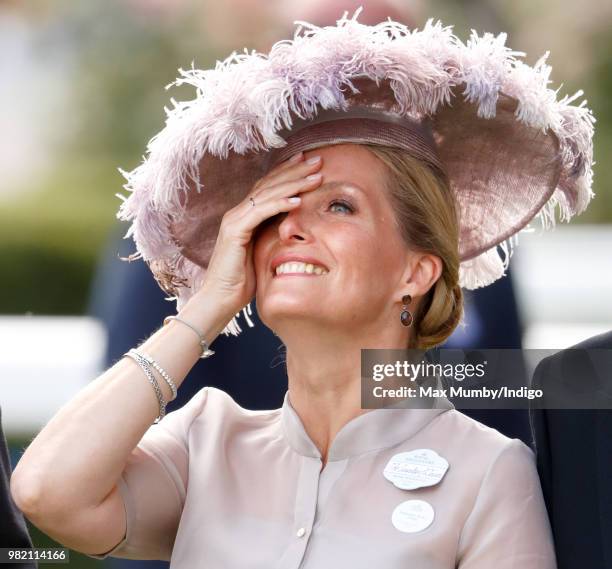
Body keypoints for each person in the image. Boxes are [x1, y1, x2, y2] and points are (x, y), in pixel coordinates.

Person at [10, 11, 595, 568]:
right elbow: (45, 492)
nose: (288, 225)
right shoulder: (205, 441)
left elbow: (512, 377)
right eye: (276, 209)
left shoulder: (488, 471)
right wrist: (206, 306)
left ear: (416, 273)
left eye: (338, 205)